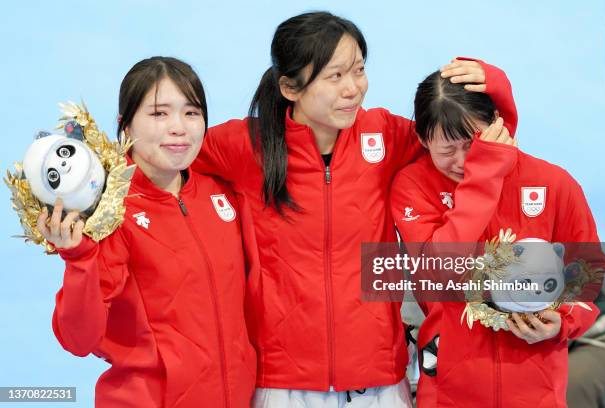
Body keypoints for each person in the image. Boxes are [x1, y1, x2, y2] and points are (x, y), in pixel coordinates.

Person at [193, 11, 511, 407]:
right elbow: (164, 161)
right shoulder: (246, 145)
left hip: (378, 383)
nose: (352, 88)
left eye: (358, 70)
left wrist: (498, 90)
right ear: (290, 87)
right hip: (283, 384)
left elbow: (467, 143)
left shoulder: (387, 135)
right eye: (334, 76)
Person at [37, 56, 256, 407]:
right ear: (126, 126)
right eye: (159, 114)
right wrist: (78, 258)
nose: (179, 127)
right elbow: (78, 339)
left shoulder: (220, 193)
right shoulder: (109, 210)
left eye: (191, 112)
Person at [391, 64, 602, 407]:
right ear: (421, 139)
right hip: (449, 394)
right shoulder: (413, 187)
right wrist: (484, 178)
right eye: (446, 150)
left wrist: (561, 322)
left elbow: (588, 275)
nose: (461, 161)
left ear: (497, 128)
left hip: (537, 392)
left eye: (472, 145)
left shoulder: (554, 183)